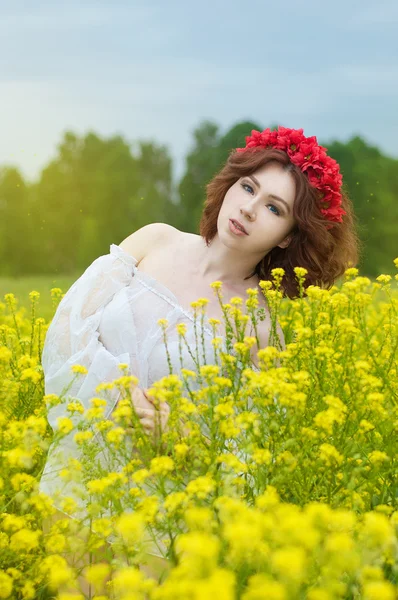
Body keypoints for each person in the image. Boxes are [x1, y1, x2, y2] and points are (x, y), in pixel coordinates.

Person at [38, 126, 360, 587]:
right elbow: (69, 327)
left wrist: (182, 435)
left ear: (289, 237)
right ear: (229, 185)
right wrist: (115, 389)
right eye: (248, 187)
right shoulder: (156, 239)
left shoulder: (261, 329)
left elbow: (246, 465)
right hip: (74, 479)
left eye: (274, 208)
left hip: (155, 523)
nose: (249, 207)